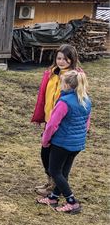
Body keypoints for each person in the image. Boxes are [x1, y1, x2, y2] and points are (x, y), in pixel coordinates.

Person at [36, 70, 91, 214]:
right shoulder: (85, 99)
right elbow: (87, 123)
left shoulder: (64, 102)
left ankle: (72, 201)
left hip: (62, 143)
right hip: (77, 144)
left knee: (55, 171)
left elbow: (52, 125)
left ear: (66, 85)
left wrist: (45, 140)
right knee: (64, 172)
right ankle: (53, 197)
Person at [31, 44, 82, 196]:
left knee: (53, 156)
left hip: (62, 123)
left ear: (72, 60)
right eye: (59, 58)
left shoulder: (74, 77)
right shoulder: (51, 74)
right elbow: (43, 96)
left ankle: (55, 186)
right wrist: (41, 116)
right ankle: (51, 181)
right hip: (49, 120)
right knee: (45, 153)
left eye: (65, 59)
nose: (61, 62)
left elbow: (80, 99)